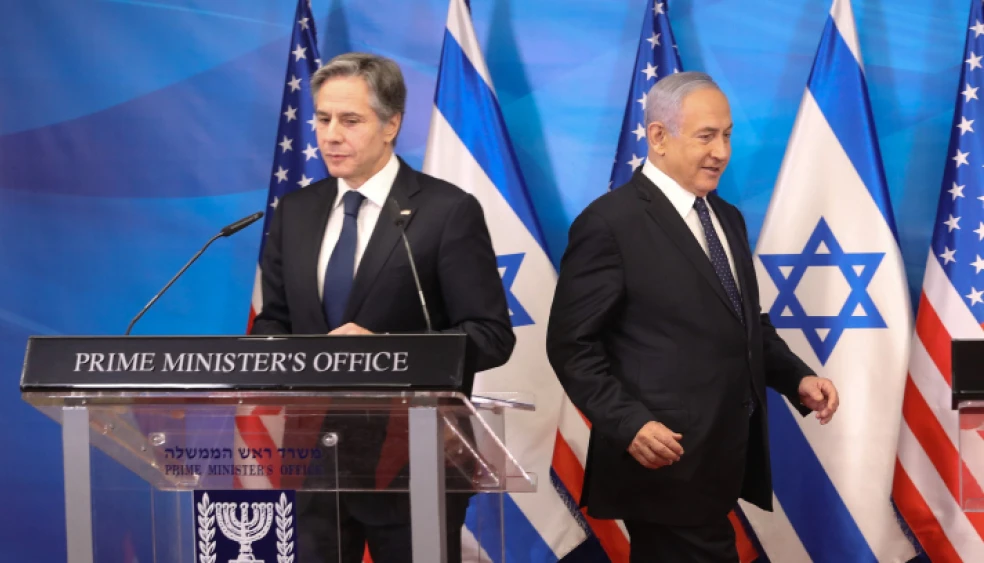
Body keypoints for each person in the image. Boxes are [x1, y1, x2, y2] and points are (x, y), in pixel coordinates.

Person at [545, 71, 840, 562]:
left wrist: (797, 378)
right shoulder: (609, 224)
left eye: (727, 135)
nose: (721, 151)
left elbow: (745, 323)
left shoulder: (726, 217)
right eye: (706, 136)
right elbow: (571, 345)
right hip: (663, 461)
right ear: (658, 137)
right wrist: (629, 424)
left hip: (720, 460)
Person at [251, 52, 514, 563]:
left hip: (413, 461)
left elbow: (490, 335)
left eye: (350, 120)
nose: (330, 135)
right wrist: (267, 357)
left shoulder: (446, 211)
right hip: (314, 463)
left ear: (391, 124)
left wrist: (385, 351)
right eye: (323, 118)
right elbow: (275, 320)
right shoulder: (296, 211)